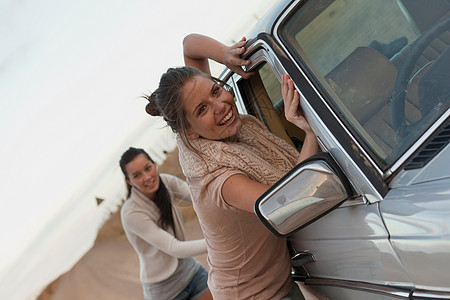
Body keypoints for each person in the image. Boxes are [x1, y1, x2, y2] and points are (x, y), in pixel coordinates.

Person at [145, 34, 320, 299]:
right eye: (202, 109)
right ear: (187, 132)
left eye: (216, 90)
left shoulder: (200, 133)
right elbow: (290, 205)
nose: (221, 106)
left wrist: (226, 55)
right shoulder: (219, 179)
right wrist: (310, 132)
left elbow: (190, 46)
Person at [119, 147, 212, 300]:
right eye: (137, 175)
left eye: (148, 168)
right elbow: (174, 248)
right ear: (129, 181)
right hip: (164, 291)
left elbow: (202, 199)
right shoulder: (130, 213)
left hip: (190, 270)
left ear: (154, 164)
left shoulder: (167, 182)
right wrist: (217, 243)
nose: (147, 177)